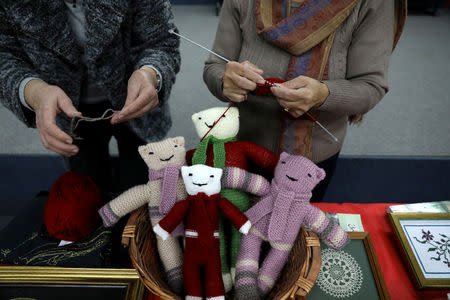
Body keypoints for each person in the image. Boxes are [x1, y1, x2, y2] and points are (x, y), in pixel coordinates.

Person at [203, 0, 405, 201]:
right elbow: (215, 67)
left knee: (296, 227)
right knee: (238, 223)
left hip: (312, 161)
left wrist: (324, 95)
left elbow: (370, 85)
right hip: (243, 147)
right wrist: (225, 80)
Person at [0, 0, 181, 196]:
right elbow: (5, 55)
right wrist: (34, 91)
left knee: (142, 189)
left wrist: (150, 73)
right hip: (69, 114)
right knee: (90, 191)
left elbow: (161, 39)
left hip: (138, 104)